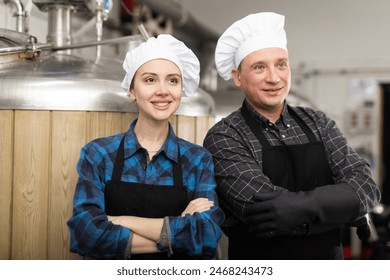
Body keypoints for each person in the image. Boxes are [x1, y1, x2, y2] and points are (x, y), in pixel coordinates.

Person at [203, 12, 381, 260]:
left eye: (281, 64)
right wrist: (345, 210)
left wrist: (299, 208)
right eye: (259, 67)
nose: (274, 77)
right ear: (237, 76)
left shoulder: (318, 122)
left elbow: (366, 187)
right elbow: (265, 215)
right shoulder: (225, 136)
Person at [67, 34, 225, 260]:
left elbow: (207, 237)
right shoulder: (99, 154)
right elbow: (86, 235)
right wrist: (179, 230)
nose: (163, 90)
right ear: (132, 91)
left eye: (172, 80)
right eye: (150, 80)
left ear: (181, 90)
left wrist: (120, 221)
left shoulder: (198, 159)